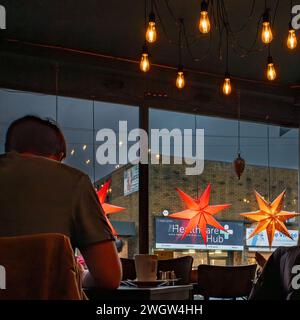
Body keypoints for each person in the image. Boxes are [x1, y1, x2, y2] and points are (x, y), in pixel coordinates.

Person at [0, 115, 122, 289]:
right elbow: (109, 277)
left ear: (9, 151)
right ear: (59, 156)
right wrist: (79, 276)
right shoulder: (74, 182)